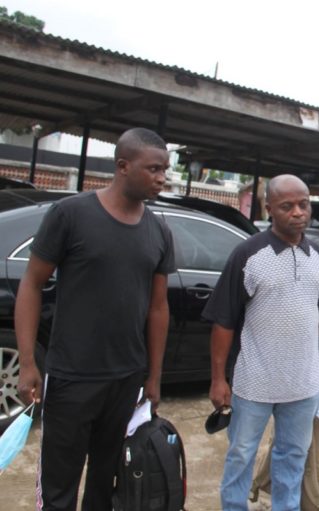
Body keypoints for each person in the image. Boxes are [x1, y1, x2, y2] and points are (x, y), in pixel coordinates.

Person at [15, 127, 175, 511]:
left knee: (106, 483)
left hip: (125, 379)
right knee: (59, 488)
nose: (161, 178)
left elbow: (158, 307)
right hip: (72, 376)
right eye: (153, 168)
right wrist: (26, 362)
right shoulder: (71, 214)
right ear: (123, 166)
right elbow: (32, 284)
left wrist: (153, 375)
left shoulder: (159, 231)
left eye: (164, 169)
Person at [205, 175, 319, 511]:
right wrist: (219, 379)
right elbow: (223, 322)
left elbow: (317, 317)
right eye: (287, 206)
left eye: (304, 204)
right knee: (241, 455)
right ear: (269, 208)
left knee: (293, 456)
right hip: (254, 383)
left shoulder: (318, 256)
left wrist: (317, 374)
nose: (298, 212)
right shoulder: (248, 254)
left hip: (304, 386)